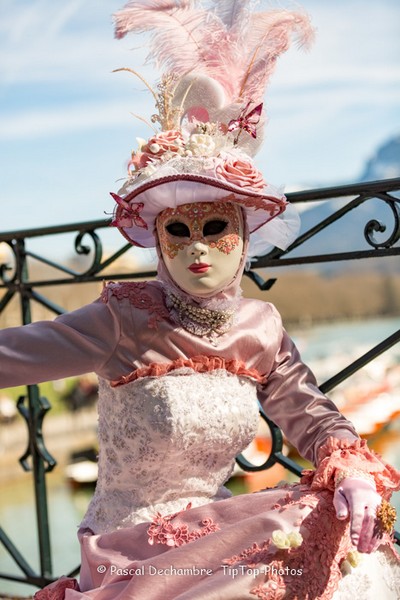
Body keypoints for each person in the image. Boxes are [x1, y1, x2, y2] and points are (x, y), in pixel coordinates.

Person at [1, 2, 399, 598]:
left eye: (215, 228)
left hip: (217, 532)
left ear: (244, 236)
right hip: (129, 549)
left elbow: (312, 417)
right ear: (158, 243)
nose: (197, 250)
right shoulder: (124, 317)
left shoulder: (259, 328)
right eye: (178, 234)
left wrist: (352, 474)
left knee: (337, 527)